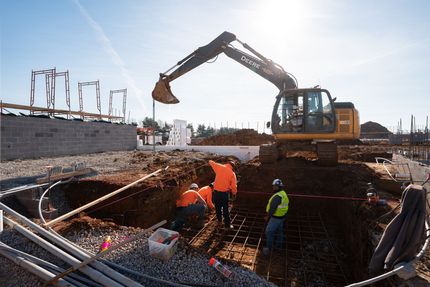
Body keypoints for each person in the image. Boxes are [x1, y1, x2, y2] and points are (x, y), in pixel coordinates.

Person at [263, 179, 289, 256]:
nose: (273, 187)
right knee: (279, 232)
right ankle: (278, 247)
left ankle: (269, 249)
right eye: (273, 186)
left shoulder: (277, 197)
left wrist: (267, 217)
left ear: (279, 187)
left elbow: (272, 209)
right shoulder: (283, 193)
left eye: (275, 186)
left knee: (269, 231)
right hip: (282, 217)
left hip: (276, 218)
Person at [209, 160, 237, 229]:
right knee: (225, 209)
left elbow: (210, 162)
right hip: (224, 194)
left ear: (227, 163)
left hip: (216, 192)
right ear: (232, 167)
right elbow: (233, 186)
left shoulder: (219, 167)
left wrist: (214, 162)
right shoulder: (232, 173)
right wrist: (234, 193)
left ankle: (219, 221)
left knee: (217, 207)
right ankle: (227, 225)